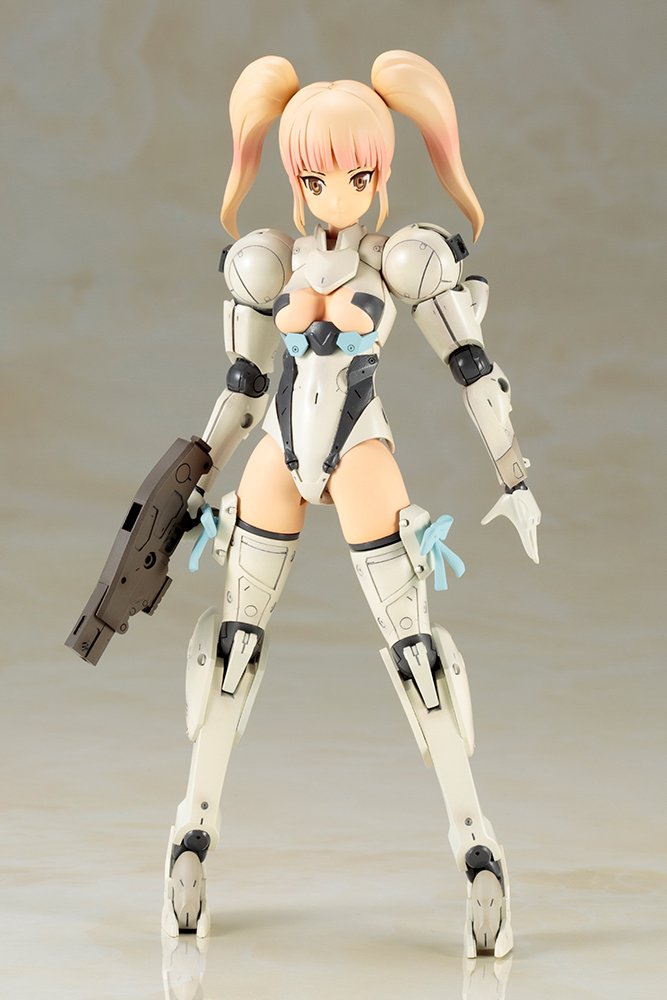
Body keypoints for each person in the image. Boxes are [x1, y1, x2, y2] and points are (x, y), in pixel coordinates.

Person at [161, 50, 540, 958]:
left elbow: (472, 366)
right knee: (233, 642)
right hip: (278, 451)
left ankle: (475, 843)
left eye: (358, 175)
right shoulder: (266, 261)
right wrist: (194, 480)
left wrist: (513, 475)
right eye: (317, 177)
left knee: (414, 648)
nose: (338, 192)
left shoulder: (402, 257)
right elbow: (244, 386)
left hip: (361, 446)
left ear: (381, 174)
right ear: (295, 179)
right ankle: (192, 828)